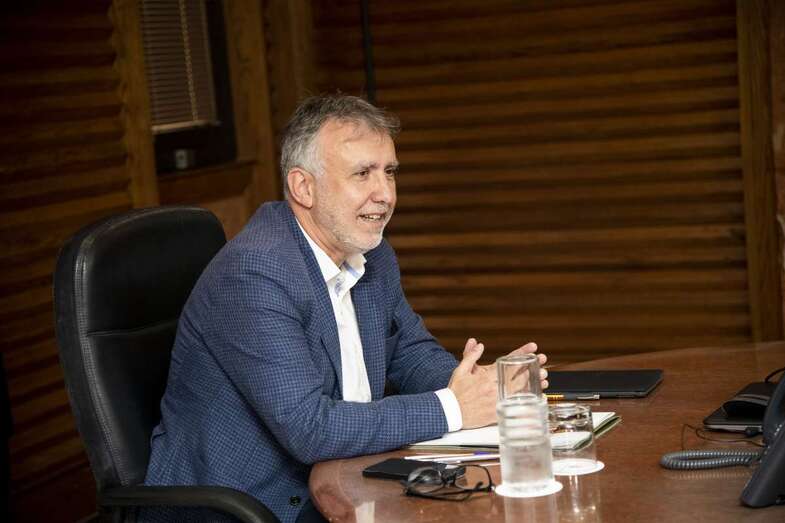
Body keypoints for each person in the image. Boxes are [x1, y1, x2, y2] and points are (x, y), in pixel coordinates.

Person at [143, 94, 548, 523]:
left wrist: (483, 388)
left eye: (389, 172)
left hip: (348, 476)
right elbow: (310, 429)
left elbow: (409, 352)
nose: (385, 195)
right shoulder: (255, 273)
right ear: (304, 187)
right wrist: (453, 406)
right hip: (255, 505)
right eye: (363, 174)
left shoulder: (372, 255)